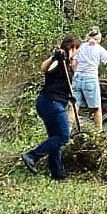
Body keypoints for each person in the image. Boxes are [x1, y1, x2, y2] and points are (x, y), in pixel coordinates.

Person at [22, 35, 81, 180]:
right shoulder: (58, 60)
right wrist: (55, 57)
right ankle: (31, 156)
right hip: (50, 103)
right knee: (63, 136)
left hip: (56, 103)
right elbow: (45, 68)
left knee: (55, 137)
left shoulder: (68, 64)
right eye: (77, 49)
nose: (78, 53)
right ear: (71, 48)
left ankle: (57, 173)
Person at [73, 26, 107, 130]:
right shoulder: (100, 49)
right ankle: (99, 132)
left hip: (77, 77)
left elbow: (73, 62)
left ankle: (69, 129)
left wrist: (77, 72)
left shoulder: (80, 47)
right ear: (96, 39)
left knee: (74, 105)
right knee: (96, 108)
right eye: (99, 39)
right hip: (90, 79)